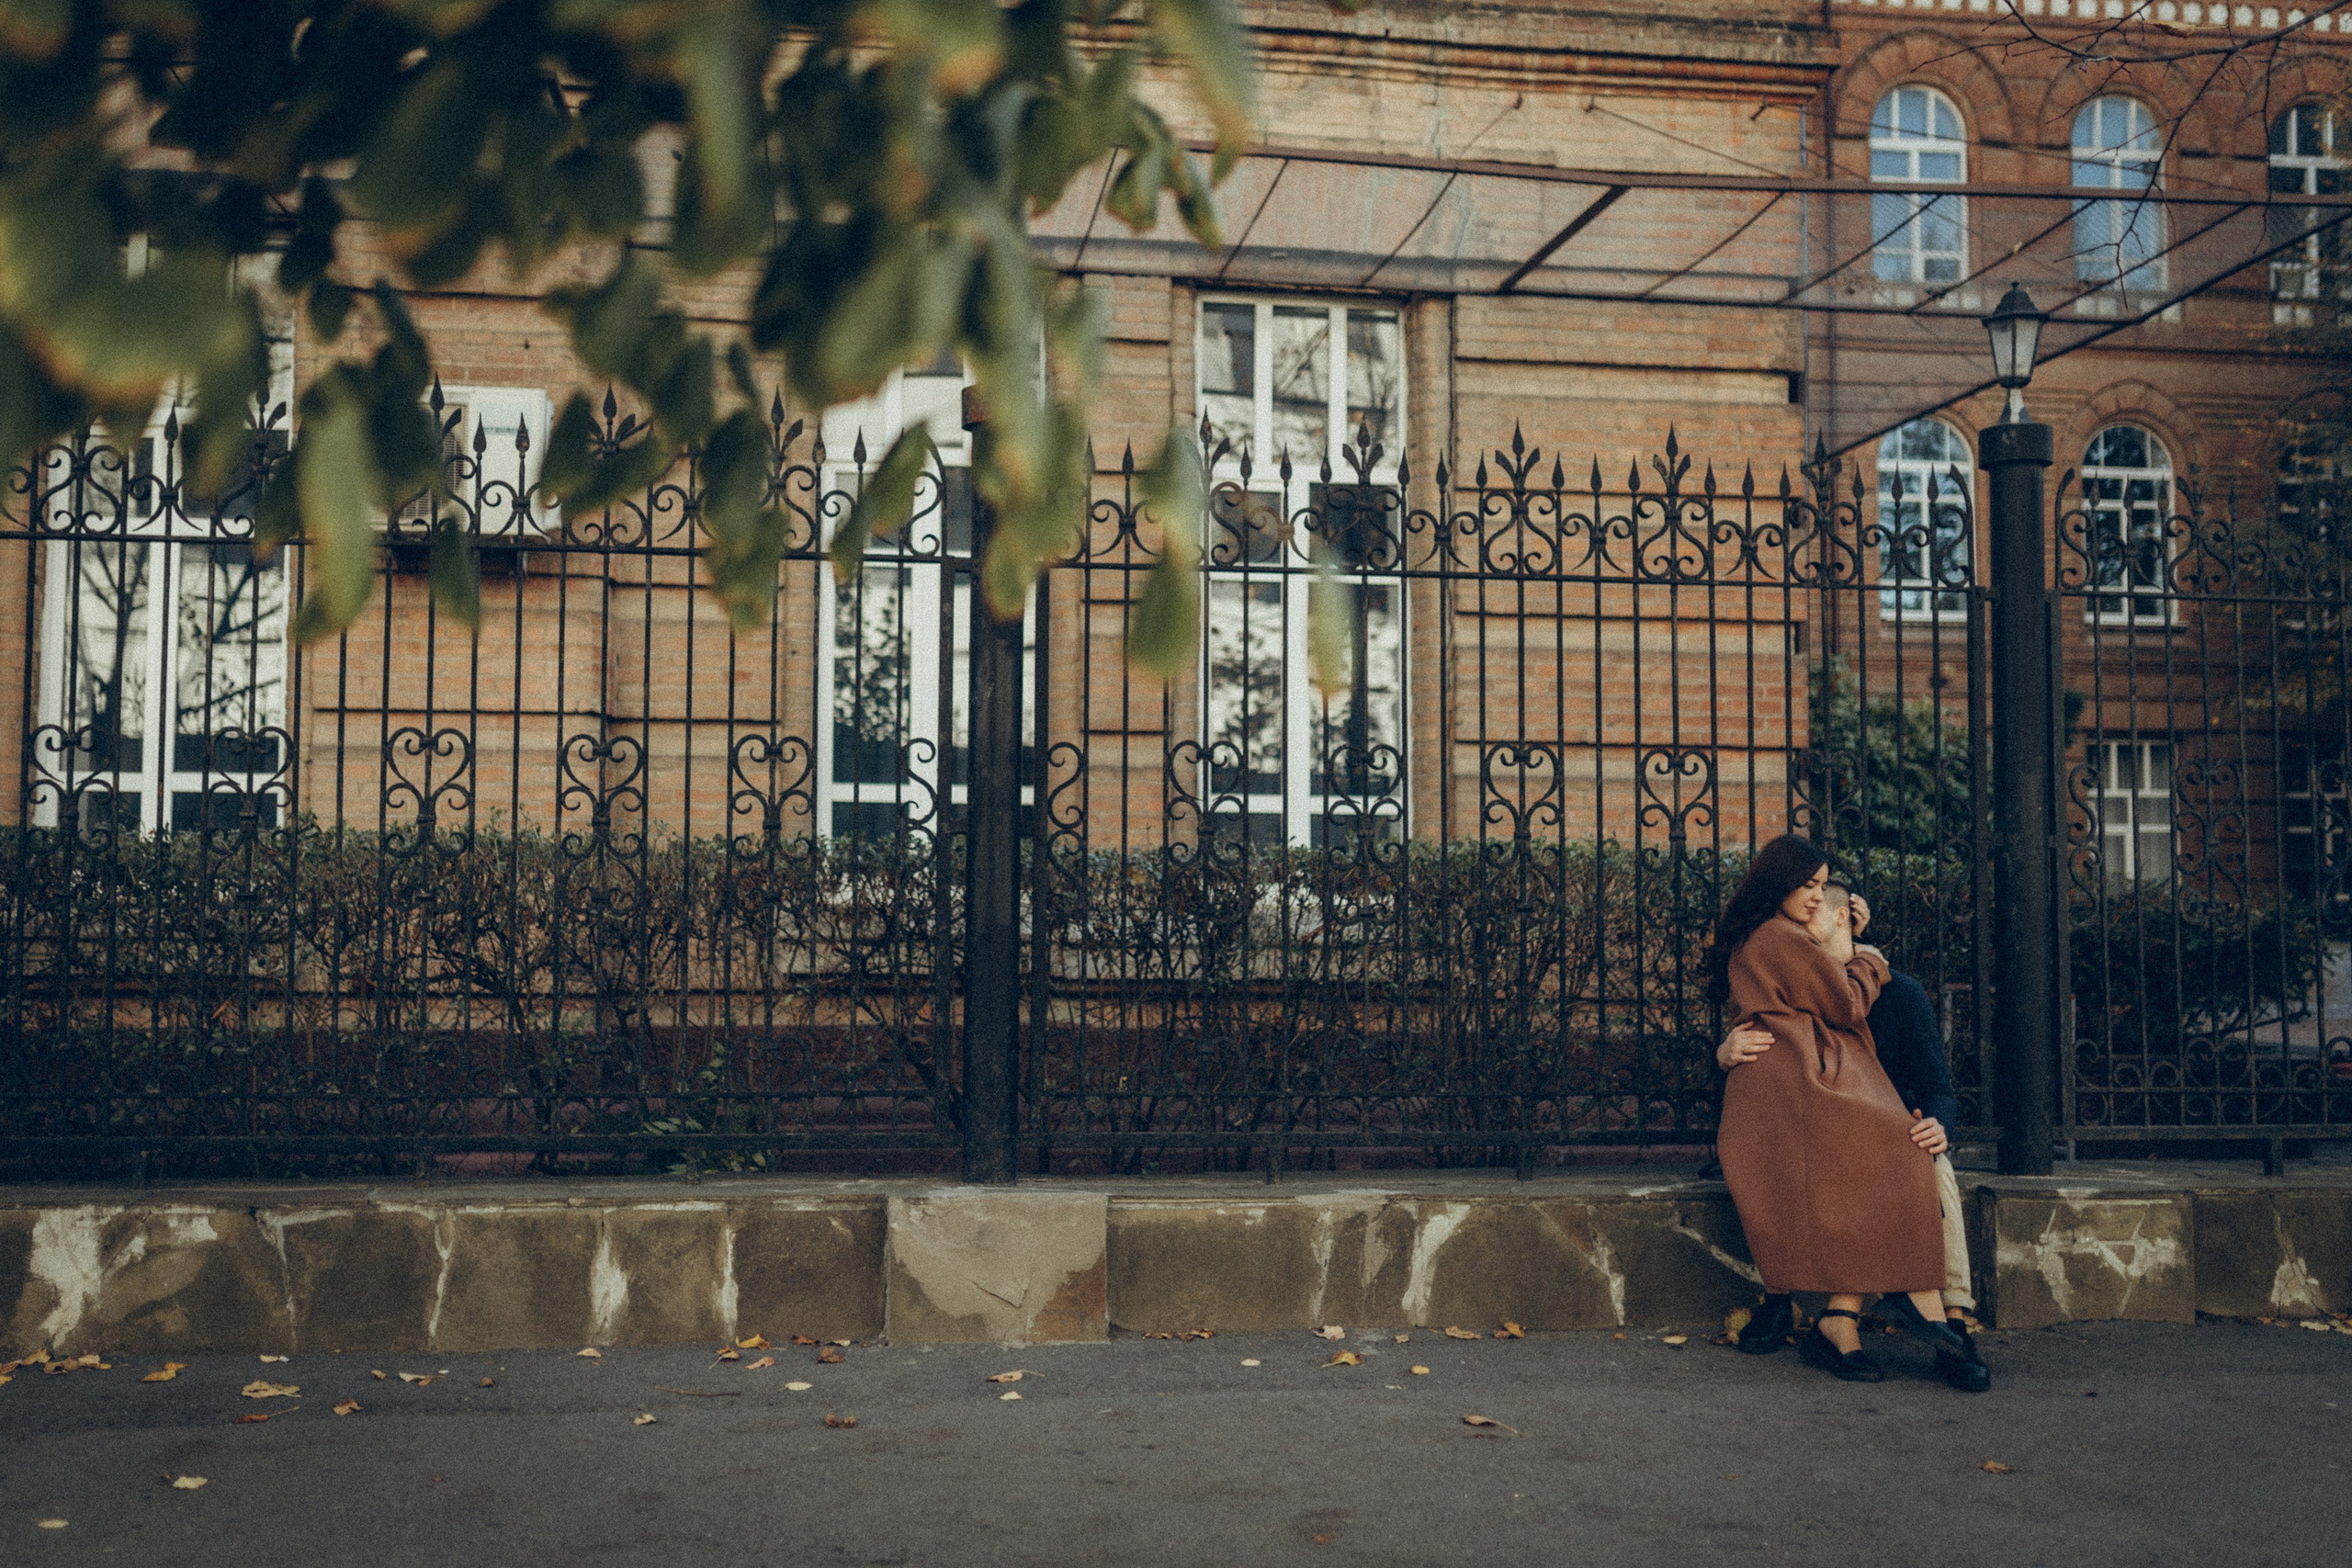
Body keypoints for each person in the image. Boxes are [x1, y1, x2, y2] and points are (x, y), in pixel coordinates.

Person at [1706, 834, 1968, 1383]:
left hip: (1802, 1107)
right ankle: (1898, 1306)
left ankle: (1917, 1318)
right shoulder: (1788, 944)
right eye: (1808, 888)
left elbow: (1934, 1084)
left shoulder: (1895, 993)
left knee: (1911, 1153)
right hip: (1796, 1106)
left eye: (1825, 891)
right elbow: (1843, 1001)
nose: (1817, 904)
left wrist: (1939, 1124)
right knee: (1882, 1153)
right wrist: (1869, 960)